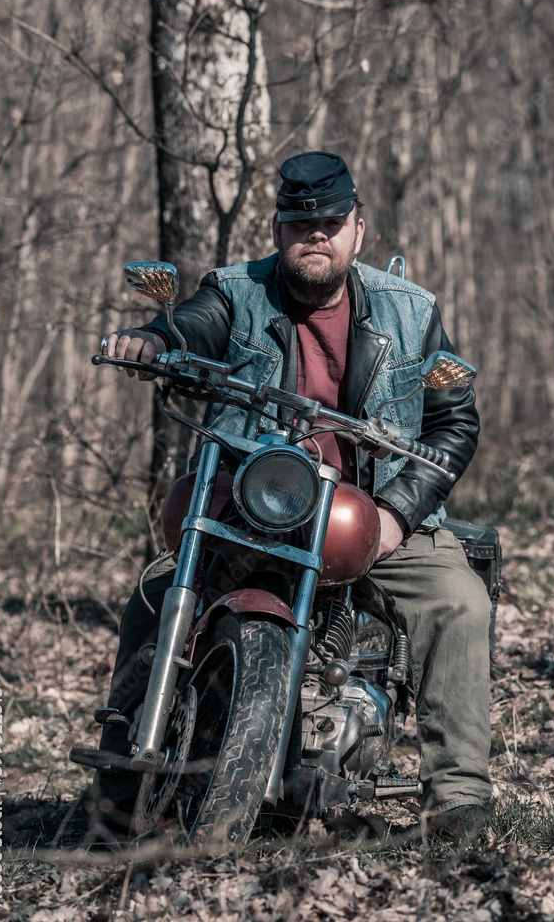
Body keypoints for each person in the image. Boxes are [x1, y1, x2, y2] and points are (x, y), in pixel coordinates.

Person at [91, 151, 491, 845]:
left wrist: (398, 513)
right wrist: (155, 339)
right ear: (277, 229)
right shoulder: (233, 291)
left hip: (371, 512)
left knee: (459, 600)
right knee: (156, 595)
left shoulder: (409, 311)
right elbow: (190, 327)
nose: (316, 235)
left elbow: (453, 420)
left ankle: (456, 798)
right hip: (255, 511)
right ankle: (120, 798)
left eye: (331, 223)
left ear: (356, 230)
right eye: (300, 223)